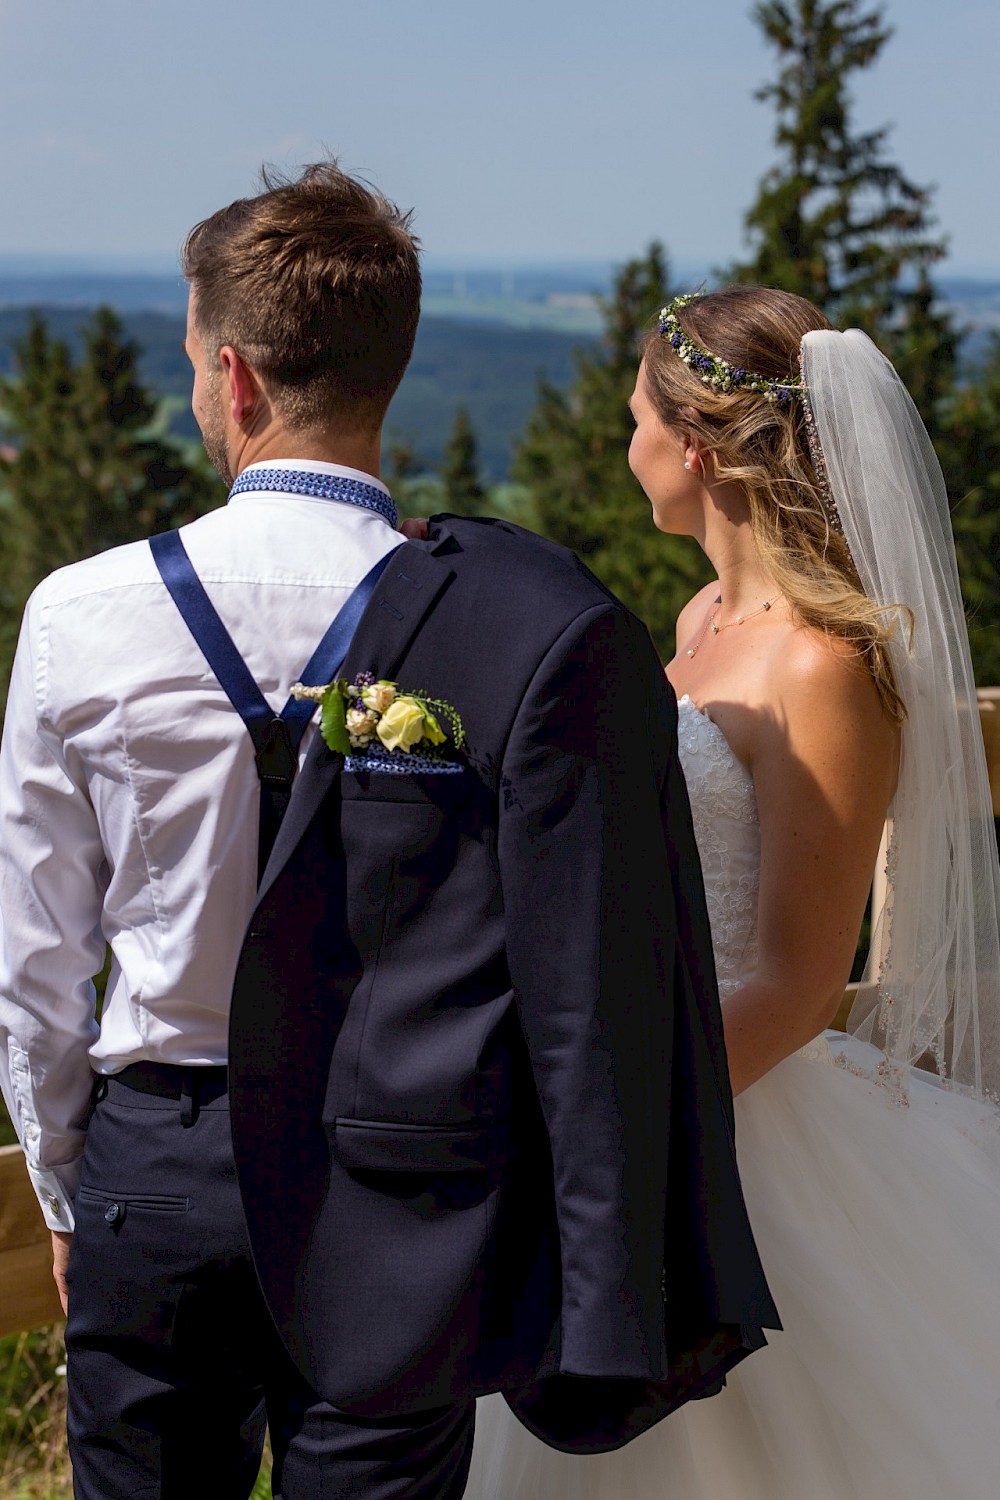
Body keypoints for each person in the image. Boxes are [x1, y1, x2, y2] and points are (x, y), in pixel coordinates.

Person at [0, 169, 777, 1500]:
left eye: (195, 363)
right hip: (408, 1176)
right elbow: (570, 954)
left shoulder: (81, 615)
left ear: (233, 379)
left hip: (161, 1164)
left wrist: (69, 1187)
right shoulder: (513, 617)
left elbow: (37, 960)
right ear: (390, 371)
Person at [465, 286, 1000, 1500]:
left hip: (728, 1113)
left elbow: (803, 980)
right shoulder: (699, 615)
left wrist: (626, 1125)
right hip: (644, 1058)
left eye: (635, 421)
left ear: (695, 448)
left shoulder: (821, 664)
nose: (625, 444)